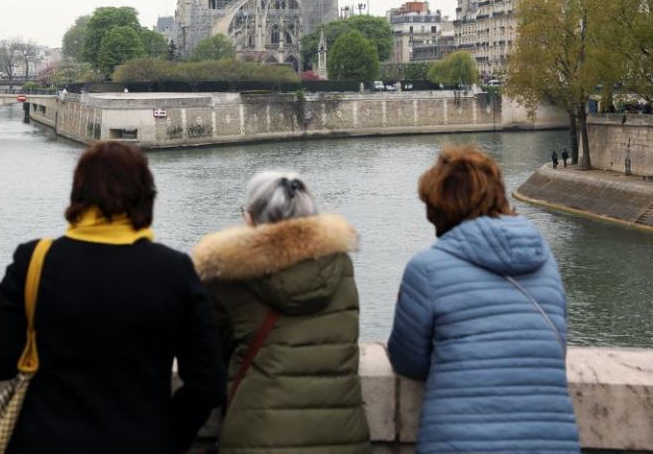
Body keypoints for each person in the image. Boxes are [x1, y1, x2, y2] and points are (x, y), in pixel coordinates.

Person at [0, 141, 224, 453]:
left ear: (78, 193)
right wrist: (170, 433)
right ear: (146, 196)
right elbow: (208, 380)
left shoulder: (35, 260)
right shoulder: (173, 270)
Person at [387, 145, 579, 452]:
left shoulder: (426, 268)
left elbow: (407, 361)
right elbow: (555, 348)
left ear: (438, 208)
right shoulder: (545, 262)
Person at [191, 172, 371, 454]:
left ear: (250, 219)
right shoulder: (341, 267)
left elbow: (217, 352)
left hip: (256, 438)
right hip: (344, 437)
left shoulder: (226, 278)